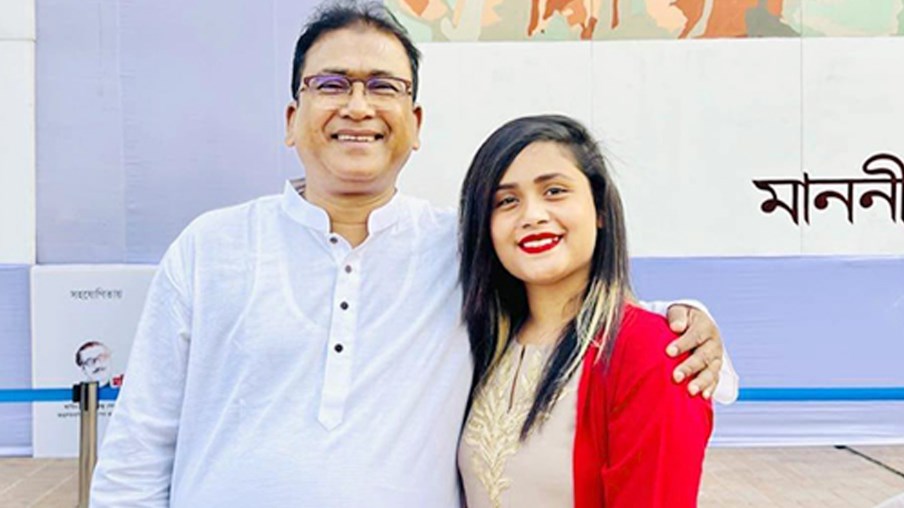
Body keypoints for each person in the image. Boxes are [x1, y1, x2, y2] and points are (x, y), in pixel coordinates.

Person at [90, 2, 736, 507]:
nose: (358, 106)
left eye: (384, 86)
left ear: (416, 123)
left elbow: (567, 306)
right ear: (291, 119)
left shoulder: (460, 249)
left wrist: (690, 324)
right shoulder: (211, 248)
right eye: (331, 84)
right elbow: (140, 446)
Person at [458, 114, 712, 507]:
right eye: (506, 201)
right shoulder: (478, 344)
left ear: (600, 209)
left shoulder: (653, 352)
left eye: (554, 191)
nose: (532, 216)